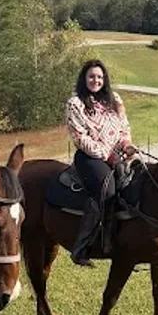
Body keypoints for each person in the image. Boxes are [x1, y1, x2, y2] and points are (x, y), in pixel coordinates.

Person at [65, 59, 135, 266]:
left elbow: (124, 129)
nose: (96, 80)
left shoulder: (115, 100)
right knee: (108, 189)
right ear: (84, 79)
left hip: (116, 155)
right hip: (89, 157)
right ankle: (83, 245)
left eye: (99, 77)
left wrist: (127, 145)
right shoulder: (75, 103)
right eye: (91, 76)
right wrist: (107, 155)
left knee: (133, 183)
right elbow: (80, 138)